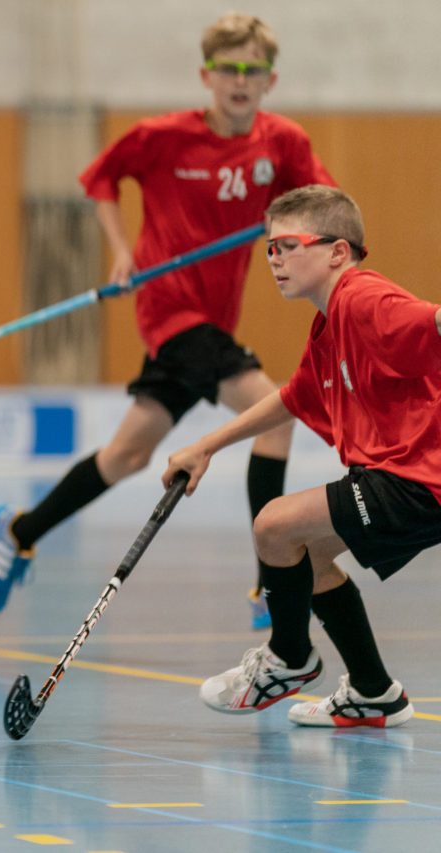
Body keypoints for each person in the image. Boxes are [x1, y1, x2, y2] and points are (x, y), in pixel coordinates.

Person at [0, 14, 334, 630]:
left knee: (126, 455)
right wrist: (121, 250)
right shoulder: (164, 137)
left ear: (270, 80)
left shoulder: (283, 143)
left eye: (253, 69)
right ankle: (268, 585)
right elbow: (99, 179)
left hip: (214, 319)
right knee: (277, 415)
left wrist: (287, 228)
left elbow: (323, 208)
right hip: (170, 309)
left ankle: (22, 528)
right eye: (229, 67)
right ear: (207, 75)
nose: (240, 79)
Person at [165, 184, 430, 728]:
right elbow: (291, 398)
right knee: (307, 553)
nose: (273, 260)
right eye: (268, 249)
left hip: (417, 481)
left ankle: (288, 659)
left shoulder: (363, 298)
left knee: (274, 526)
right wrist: (204, 446)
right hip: (401, 480)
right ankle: (374, 692)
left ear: (337, 251)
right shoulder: (329, 326)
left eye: (286, 245)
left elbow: (428, 322)